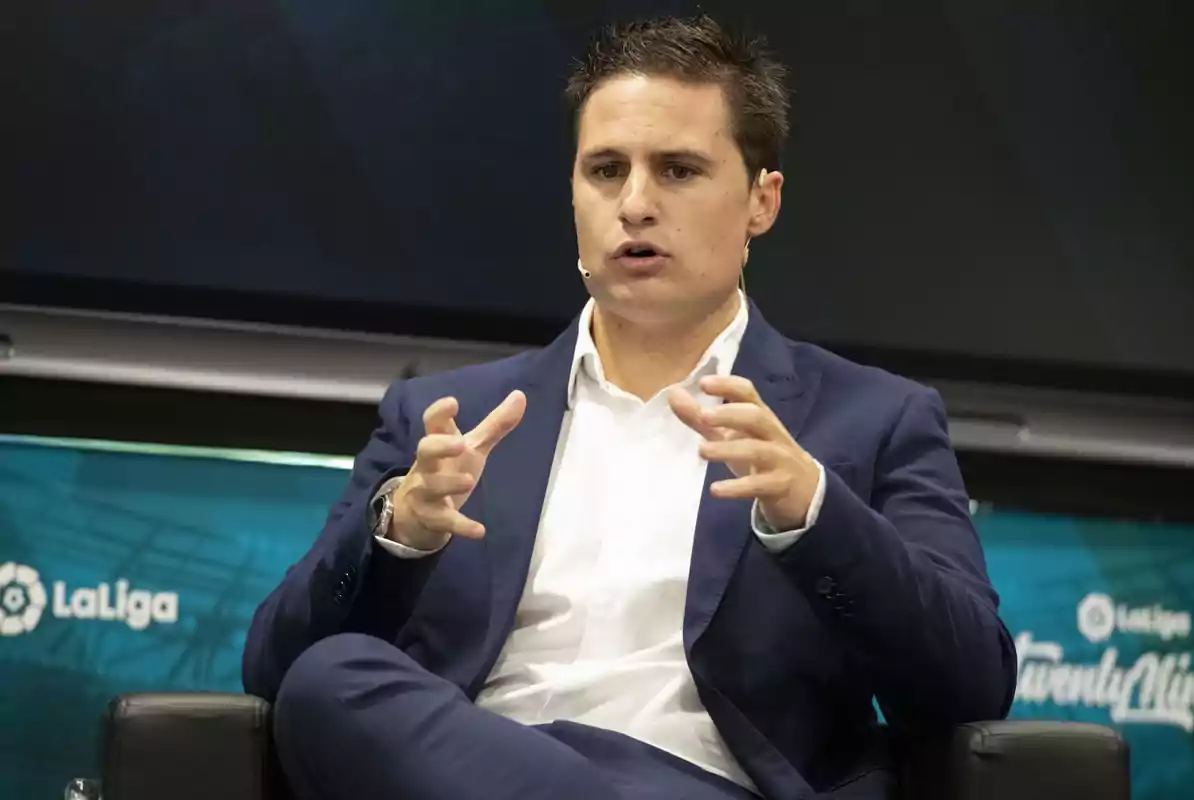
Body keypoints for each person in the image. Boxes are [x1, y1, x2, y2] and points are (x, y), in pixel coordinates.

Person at [243, 15, 1016, 800]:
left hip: (711, 784)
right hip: (476, 768)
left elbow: (971, 686)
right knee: (330, 679)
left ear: (761, 200)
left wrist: (812, 510)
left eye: (679, 171)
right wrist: (397, 535)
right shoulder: (444, 418)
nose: (636, 204)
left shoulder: (872, 419)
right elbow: (273, 672)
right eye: (607, 170)